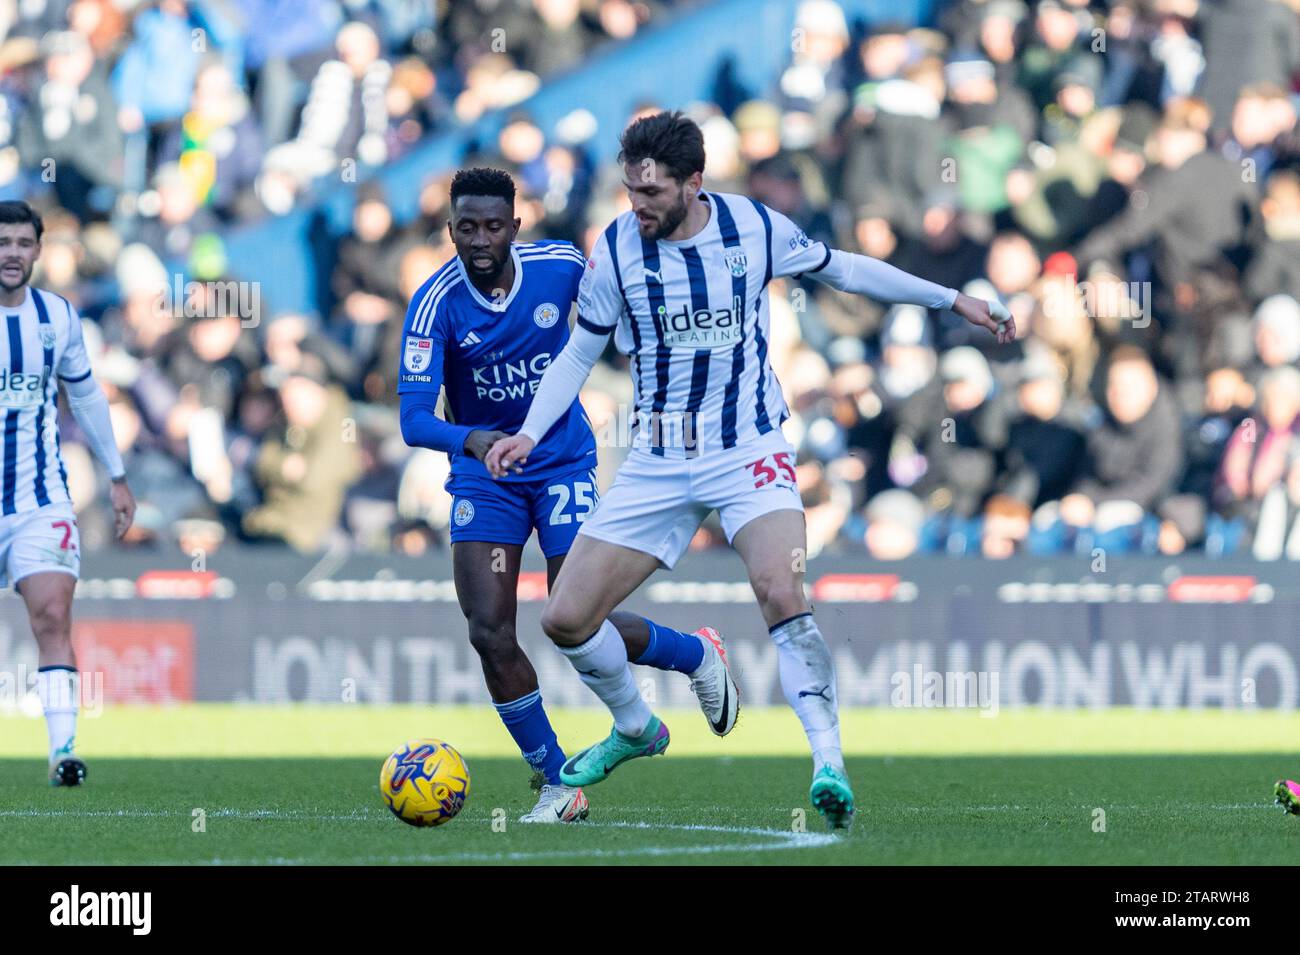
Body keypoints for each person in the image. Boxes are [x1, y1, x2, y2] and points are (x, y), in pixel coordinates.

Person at [486, 111, 1013, 829]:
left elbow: (847, 270)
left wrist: (953, 300)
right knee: (566, 617)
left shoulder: (754, 229)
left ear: (694, 184)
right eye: (629, 188)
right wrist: (527, 431)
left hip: (747, 449)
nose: (636, 204)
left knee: (779, 587)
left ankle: (828, 762)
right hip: (659, 461)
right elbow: (580, 352)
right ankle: (637, 726)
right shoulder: (615, 248)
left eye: (652, 192)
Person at [397, 167, 736, 824]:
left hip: (561, 465)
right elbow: (414, 419)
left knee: (572, 613)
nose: (480, 238)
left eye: (493, 225)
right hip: (484, 476)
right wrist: (472, 439)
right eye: (467, 226)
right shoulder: (434, 303)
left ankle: (693, 654)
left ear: (515, 227)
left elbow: (629, 296)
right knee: (489, 630)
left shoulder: (559, 268)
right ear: (451, 230)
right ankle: (558, 780)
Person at [0, 201, 136, 785]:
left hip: (40, 498)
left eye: (22, 244)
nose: (11, 253)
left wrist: (117, 474)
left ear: (38, 250)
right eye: (2, 242)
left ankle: (63, 753)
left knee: (53, 615)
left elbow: (85, 398)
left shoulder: (57, 318)